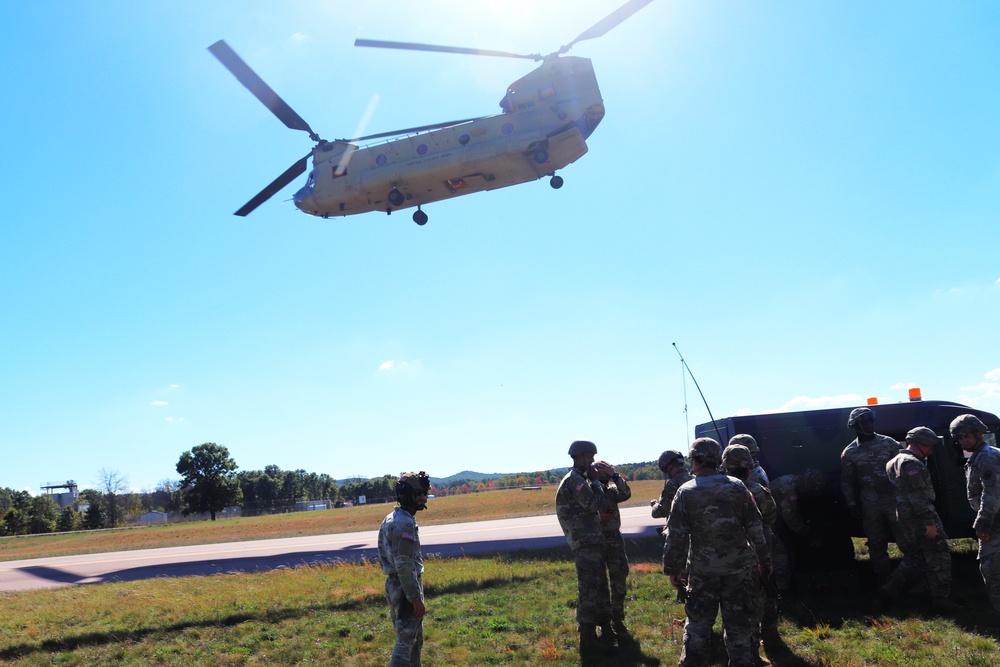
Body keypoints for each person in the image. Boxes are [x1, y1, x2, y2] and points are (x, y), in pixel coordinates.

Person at [663, 437, 771, 667]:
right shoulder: (738, 487)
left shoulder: (685, 492)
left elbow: (676, 536)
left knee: (698, 627)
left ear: (697, 460)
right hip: (738, 570)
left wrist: (673, 569)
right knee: (739, 628)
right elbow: (756, 529)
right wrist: (764, 561)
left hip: (703, 572)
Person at [880, 427, 958, 612]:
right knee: (940, 555)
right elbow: (918, 496)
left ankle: (892, 589)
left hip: (905, 517)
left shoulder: (893, 461)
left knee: (917, 557)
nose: (931, 450)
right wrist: (928, 522)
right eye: (930, 446)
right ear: (921, 444)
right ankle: (941, 598)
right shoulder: (912, 463)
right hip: (919, 517)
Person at [556, 440, 613, 653]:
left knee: (600, 587)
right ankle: (587, 636)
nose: (592, 461)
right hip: (585, 543)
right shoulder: (575, 481)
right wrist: (597, 482)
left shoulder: (581, 478)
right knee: (589, 589)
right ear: (579, 457)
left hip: (592, 541)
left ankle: (605, 627)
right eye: (589, 456)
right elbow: (592, 504)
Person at [723, 444, 777, 664]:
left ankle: (734, 650)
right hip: (756, 550)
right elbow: (771, 517)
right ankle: (753, 650)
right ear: (749, 466)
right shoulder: (757, 489)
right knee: (755, 601)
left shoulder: (719, 489)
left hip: (726, 554)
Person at [839, 406, 903, 580]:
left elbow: (903, 469)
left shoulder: (889, 443)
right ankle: (884, 580)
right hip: (870, 502)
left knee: (905, 537)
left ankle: (914, 576)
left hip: (893, 498)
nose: (869, 425)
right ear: (855, 425)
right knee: (876, 542)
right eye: (864, 422)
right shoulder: (850, 452)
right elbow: (847, 482)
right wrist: (852, 503)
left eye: (870, 421)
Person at [378, 471, 430, 667]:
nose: (423, 497)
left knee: (414, 639)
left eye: (424, 493)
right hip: (405, 587)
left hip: (396, 585)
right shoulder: (404, 523)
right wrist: (415, 598)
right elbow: (404, 565)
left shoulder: (392, 518)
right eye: (418, 493)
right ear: (406, 494)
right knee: (405, 643)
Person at [952, 413, 1000, 610]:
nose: (963, 441)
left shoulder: (987, 457)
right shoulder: (978, 456)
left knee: (992, 569)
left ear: (979, 434)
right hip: (995, 519)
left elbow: (992, 493)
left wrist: (983, 523)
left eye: (967, 436)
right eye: (959, 438)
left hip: (995, 521)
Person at [768, 469, 825, 593]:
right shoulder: (788, 488)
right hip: (769, 522)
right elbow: (789, 516)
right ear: (806, 485)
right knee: (781, 555)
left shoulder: (793, 480)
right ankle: (783, 591)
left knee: (788, 550)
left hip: (775, 519)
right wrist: (805, 531)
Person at [596, 460, 633, 639]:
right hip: (596, 540)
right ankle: (604, 622)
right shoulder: (588, 490)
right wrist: (597, 518)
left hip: (614, 539)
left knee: (619, 579)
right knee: (600, 583)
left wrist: (615, 476)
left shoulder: (611, 491)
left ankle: (617, 616)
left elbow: (626, 493)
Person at [650, 450, 693, 522]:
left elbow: (660, 512)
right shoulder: (695, 479)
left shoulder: (672, 485)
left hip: (681, 531)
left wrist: (655, 505)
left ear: (669, 467)